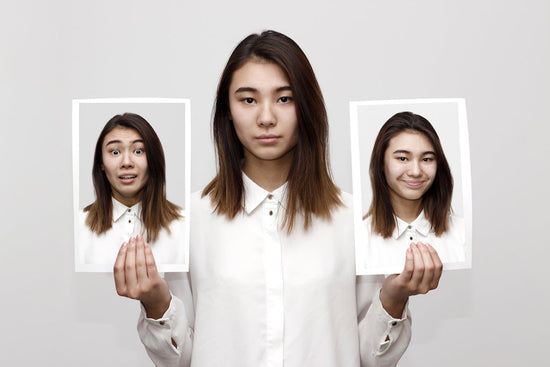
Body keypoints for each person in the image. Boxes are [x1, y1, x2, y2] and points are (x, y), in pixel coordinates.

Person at [114, 31, 442, 367]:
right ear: (227, 110)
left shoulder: (357, 220)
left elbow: (371, 359)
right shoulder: (187, 221)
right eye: (248, 100)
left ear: (307, 107)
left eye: (284, 98)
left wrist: (394, 299)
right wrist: (156, 305)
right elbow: (179, 360)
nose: (266, 117)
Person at [77, 113, 184, 269]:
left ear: (153, 159)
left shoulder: (184, 226)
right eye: (115, 152)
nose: (126, 162)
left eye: (138, 151)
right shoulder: (78, 226)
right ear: (101, 163)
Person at [364, 111, 465, 273]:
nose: (416, 171)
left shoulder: (463, 234)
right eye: (403, 158)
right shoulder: (360, 241)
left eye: (426, 159)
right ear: (381, 163)